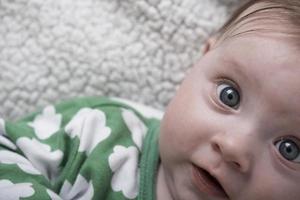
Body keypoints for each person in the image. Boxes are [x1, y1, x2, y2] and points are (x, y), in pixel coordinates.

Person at [1, 0, 300, 199]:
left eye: (290, 149)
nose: (234, 147)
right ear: (200, 62)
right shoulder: (99, 134)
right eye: (229, 96)